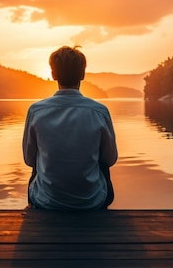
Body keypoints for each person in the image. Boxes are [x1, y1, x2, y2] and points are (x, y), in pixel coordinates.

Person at [22, 46, 118, 210]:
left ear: (53, 75)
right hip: (92, 201)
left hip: (47, 202)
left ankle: (42, 203)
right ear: (82, 74)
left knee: (38, 161)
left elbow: (29, 160)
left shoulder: (36, 111)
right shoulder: (99, 111)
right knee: (102, 160)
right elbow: (110, 159)